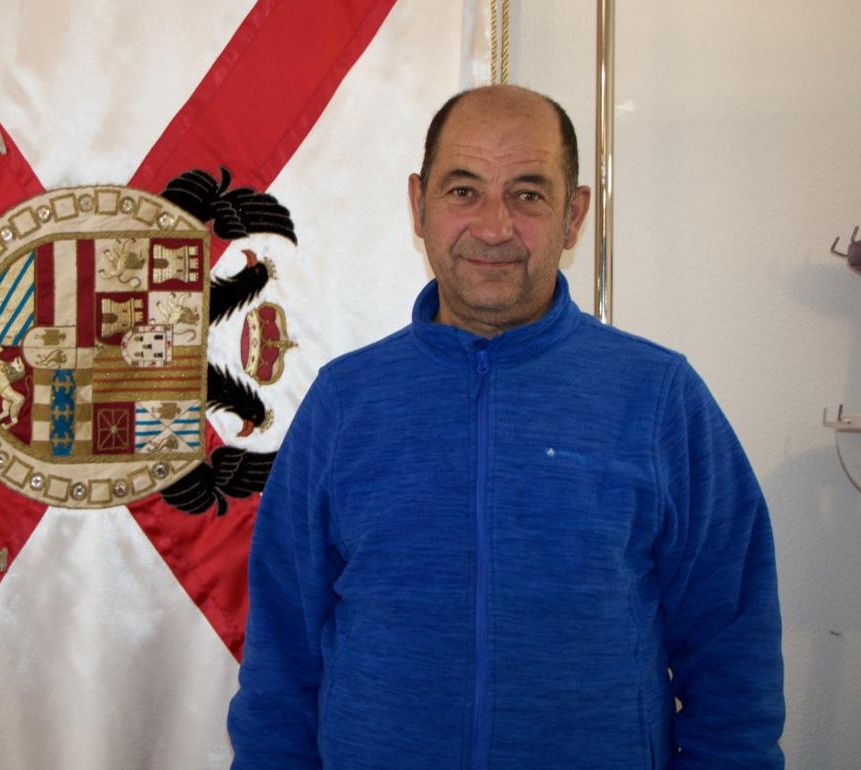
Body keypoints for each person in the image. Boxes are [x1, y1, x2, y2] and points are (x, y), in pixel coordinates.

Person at [227, 85, 784, 769]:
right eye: (463, 191)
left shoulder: (660, 398)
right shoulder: (345, 403)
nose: (493, 227)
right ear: (418, 203)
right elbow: (280, 661)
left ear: (574, 215)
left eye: (528, 194)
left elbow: (733, 657)